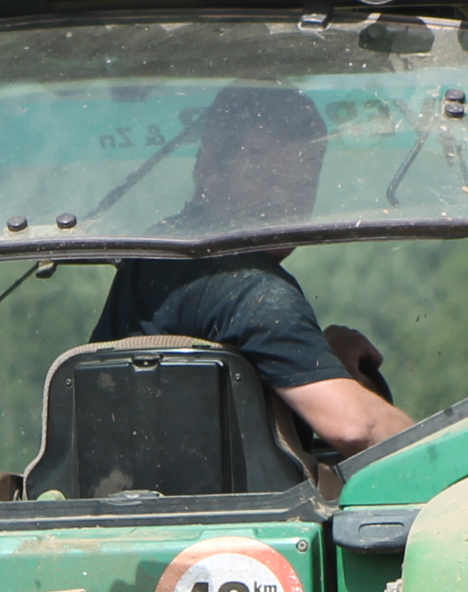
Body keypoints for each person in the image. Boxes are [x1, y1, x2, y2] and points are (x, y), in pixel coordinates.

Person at [90, 85, 411, 454]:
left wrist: (320, 362)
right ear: (210, 170)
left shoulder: (163, 252)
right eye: (264, 179)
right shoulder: (254, 290)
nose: (284, 202)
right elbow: (355, 427)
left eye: (302, 185)